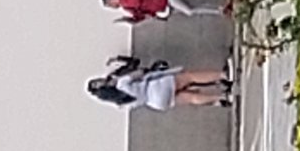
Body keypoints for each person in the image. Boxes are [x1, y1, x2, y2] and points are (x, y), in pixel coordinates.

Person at [87, 63, 232, 111]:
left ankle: (222, 97)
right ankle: (223, 75)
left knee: (190, 98)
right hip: (156, 87)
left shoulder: (121, 104)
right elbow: (139, 73)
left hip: (155, 103)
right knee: (189, 77)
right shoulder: (121, 83)